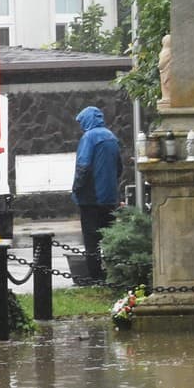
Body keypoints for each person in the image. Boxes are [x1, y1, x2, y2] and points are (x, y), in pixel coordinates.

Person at [72, 105, 121, 286]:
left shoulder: (89, 137)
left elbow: (83, 166)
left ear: (87, 120)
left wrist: (77, 188)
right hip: (109, 197)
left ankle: (95, 277)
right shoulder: (111, 137)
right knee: (108, 237)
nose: (80, 126)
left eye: (81, 121)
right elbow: (119, 168)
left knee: (91, 239)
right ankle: (112, 274)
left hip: (90, 197)